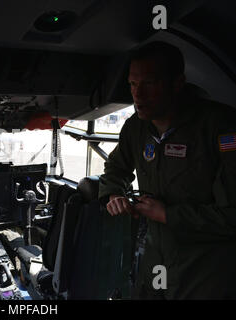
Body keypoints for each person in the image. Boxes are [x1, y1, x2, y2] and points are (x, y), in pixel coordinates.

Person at [98, 41, 236, 299]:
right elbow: (116, 167)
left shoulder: (221, 127)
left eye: (149, 84)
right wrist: (113, 194)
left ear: (177, 83)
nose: (138, 96)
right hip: (155, 259)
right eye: (132, 84)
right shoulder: (136, 128)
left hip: (206, 270)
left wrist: (169, 215)